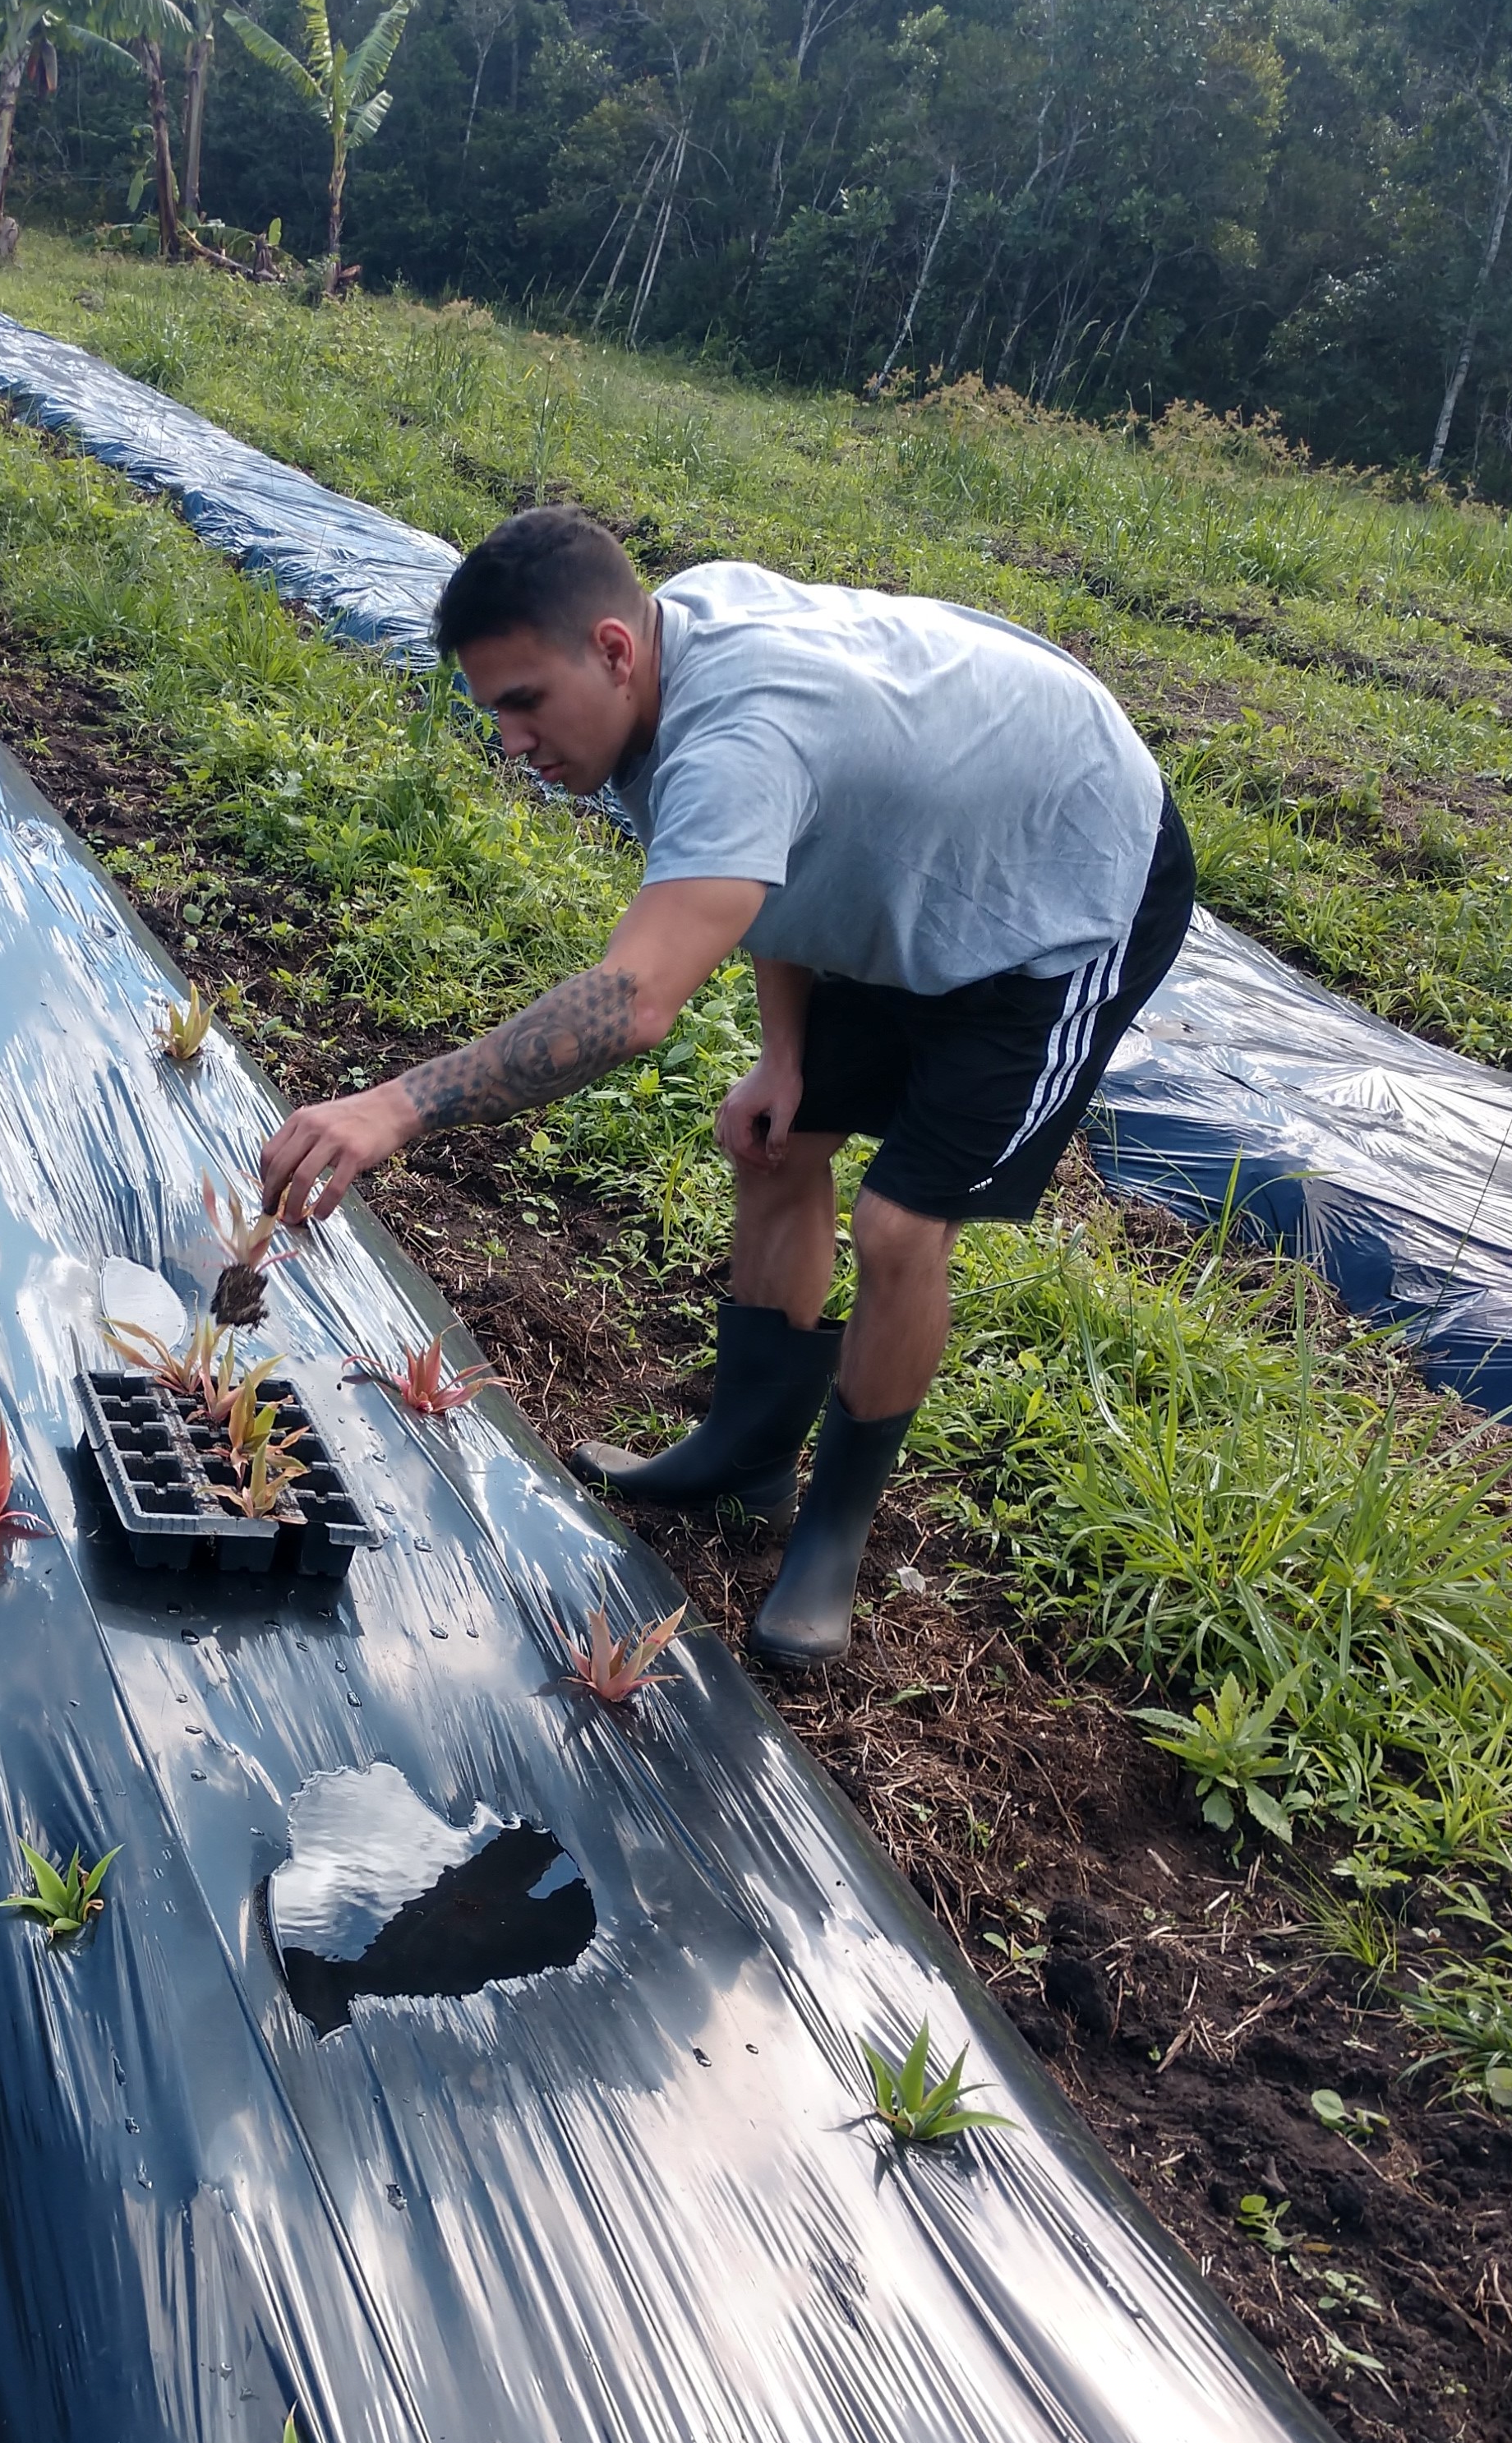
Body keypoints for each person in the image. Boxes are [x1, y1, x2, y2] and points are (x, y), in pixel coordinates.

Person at [260, 505, 1193, 1674]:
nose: (511, 743)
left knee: (901, 1223)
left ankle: (833, 1537)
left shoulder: (734, 739)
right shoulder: (675, 648)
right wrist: (785, 1054)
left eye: (524, 703)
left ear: (610, 649)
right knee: (778, 1137)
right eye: (491, 708)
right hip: (923, 859)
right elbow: (772, 863)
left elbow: (632, 1002)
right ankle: (748, 1455)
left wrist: (395, 1104)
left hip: (1064, 883)